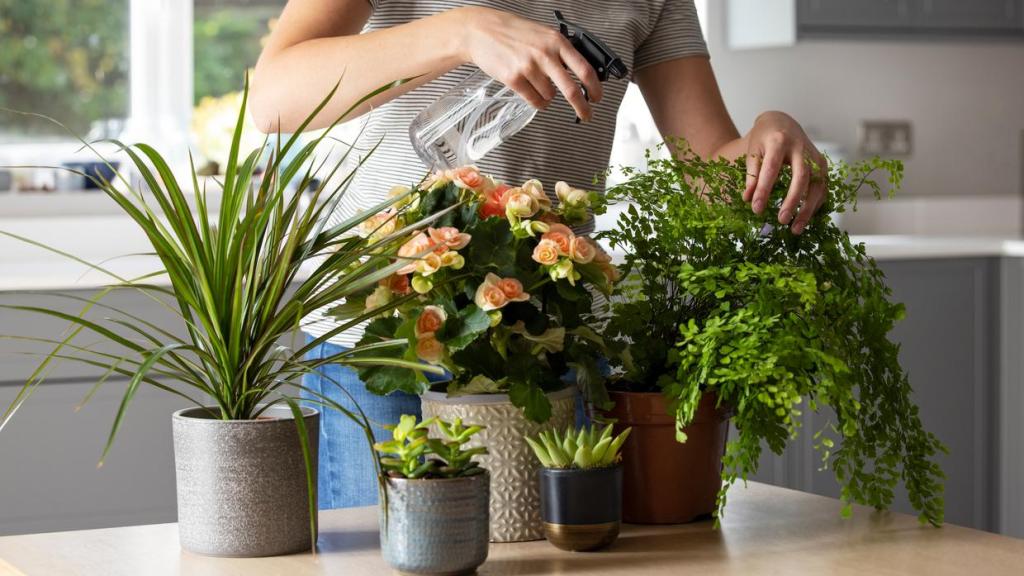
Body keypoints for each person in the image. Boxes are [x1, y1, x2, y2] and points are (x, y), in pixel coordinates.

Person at [252, 0, 828, 509]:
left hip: (546, 342)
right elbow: (274, 98)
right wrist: (465, 31)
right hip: (389, 339)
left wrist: (769, 137)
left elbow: (710, 172)